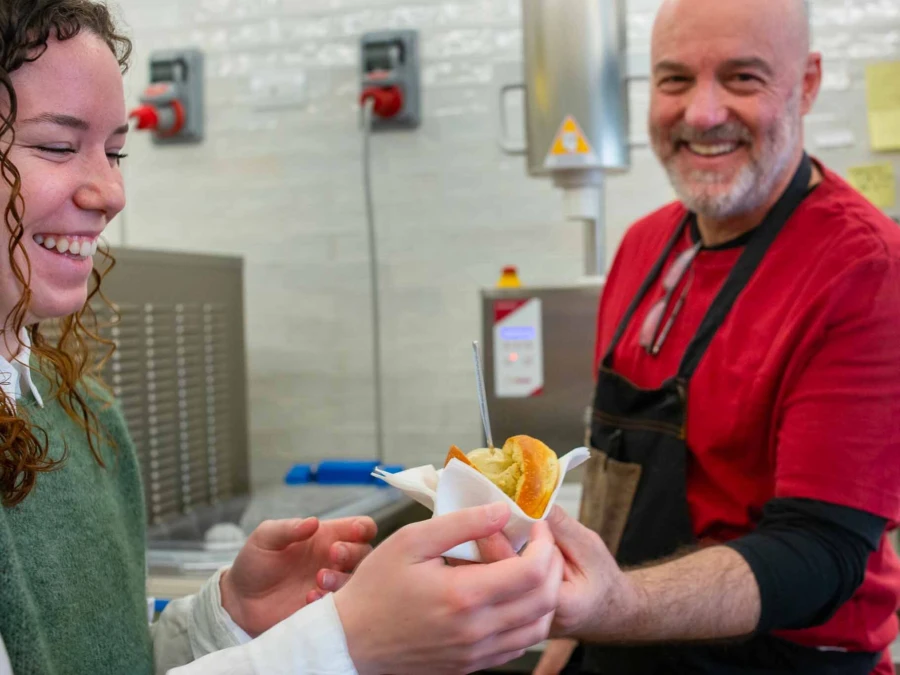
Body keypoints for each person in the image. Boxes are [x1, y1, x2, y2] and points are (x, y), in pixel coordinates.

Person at [0, 2, 562, 674]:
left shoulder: (82, 417)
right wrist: (344, 644)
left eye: (116, 150)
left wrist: (228, 617)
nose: (111, 189)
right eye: (58, 146)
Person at [534, 0, 900, 673]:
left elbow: (821, 553)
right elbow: (613, 486)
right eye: (674, 80)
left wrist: (610, 605)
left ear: (808, 83)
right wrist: (563, 647)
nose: (701, 114)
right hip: (622, 641)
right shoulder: (644, 246)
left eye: (742, 78)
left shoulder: (864, 267)